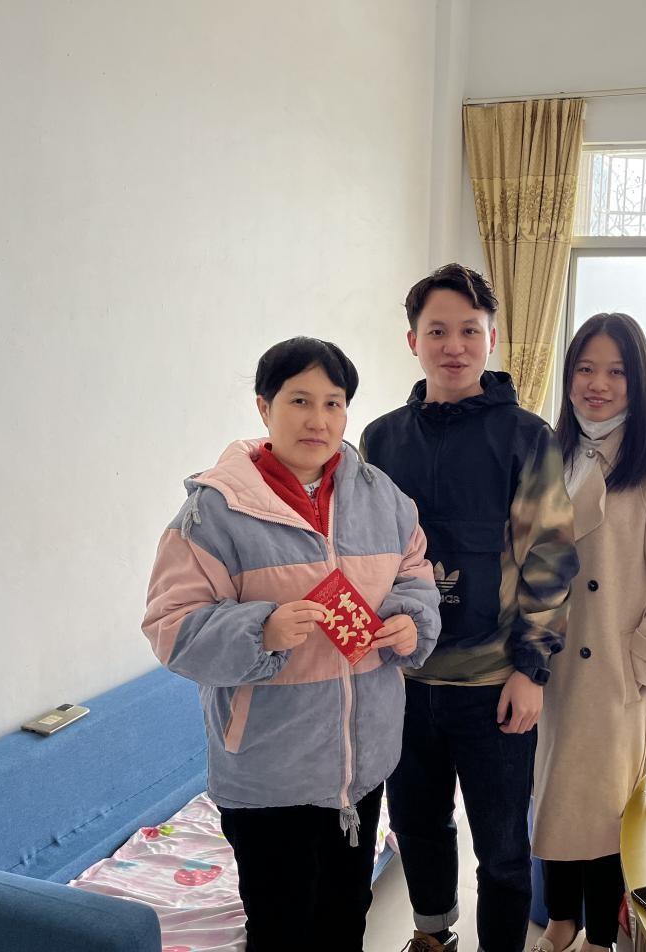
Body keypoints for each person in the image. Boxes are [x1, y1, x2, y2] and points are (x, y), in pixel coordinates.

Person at [142, 337, 441, 952]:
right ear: (264, 407)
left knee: (345, 918)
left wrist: (413, 621)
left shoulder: (383, 498)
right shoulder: (214, 512)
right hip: (268, 774)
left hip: (361, 769)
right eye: (299, 400)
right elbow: (170, 625)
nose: (318, 419)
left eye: (334, 403)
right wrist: (262, 630)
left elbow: (417, 576)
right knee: (280, 927)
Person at [361, 263, 580, 952]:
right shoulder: (380, 440)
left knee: (503, 845)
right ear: (412, 341)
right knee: (416, 825)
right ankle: (432, 935)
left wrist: (530, 671)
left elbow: (550, 558)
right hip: (402, 680)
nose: (452, 346)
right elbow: (363, 555)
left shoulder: (526, 437)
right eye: (436, 331)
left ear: (491, 338)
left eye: (468, 331)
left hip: (493, 683)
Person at [529, 314, 646, 952]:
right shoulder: (554, 452)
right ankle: (560, 923)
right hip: (546, 662)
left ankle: (600, 937)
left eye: (615, 371)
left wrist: (642, 668)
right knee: (555, 799)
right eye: (585, 368)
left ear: (638, 382)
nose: (598, 384)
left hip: (609, 668)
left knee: (603, 812)